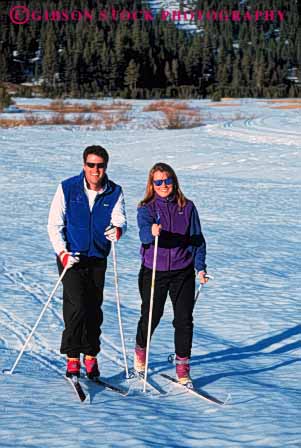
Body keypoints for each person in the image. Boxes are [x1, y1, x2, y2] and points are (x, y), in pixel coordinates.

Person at [48, 145, 127, 379]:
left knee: (94, 308)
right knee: (77, 306)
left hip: (97, 257)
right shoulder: (67, 188)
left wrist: (118, 229)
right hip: (71, 258)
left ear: (105, 167)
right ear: (84, 165)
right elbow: (54, 225)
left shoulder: (114, 191)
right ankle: (73, 357)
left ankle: (91, 355)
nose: (95, 169)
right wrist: (63, 253)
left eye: (100, 165)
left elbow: (120, 217)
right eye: (91, 165)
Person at [134, 162, 207, 385]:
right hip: (154, 270)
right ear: (152, 184)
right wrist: (151, 231)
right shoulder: (146, 208)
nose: (164, 185)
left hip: (182, 271)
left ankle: (183, 367)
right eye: (158, 182)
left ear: (174, 181)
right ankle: (141, 351)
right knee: (151, 316)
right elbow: (144, 235)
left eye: (167, 180)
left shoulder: (187, 207)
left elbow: (197, 239)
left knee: (184, 320)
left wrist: (200, 267)